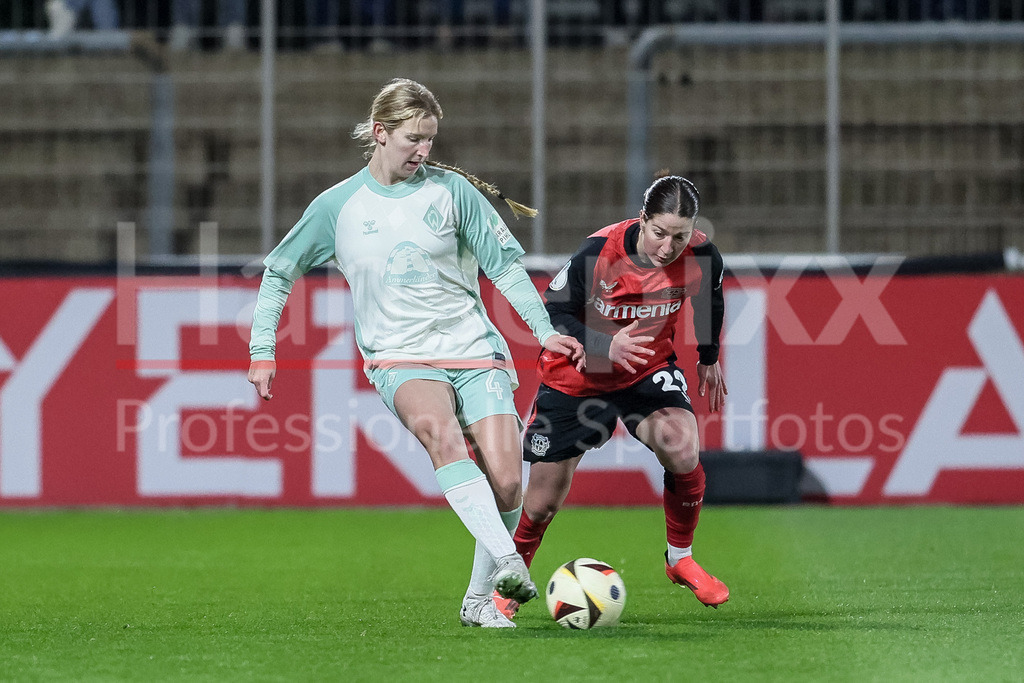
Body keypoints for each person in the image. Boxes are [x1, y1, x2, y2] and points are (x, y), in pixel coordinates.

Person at [247, 78, 585, 629]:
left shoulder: (453, 192)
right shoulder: (338, 206)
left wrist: (543, 331)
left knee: (507, 482)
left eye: (430, 139)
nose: (424, 151)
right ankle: (507, 563)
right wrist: (263, 350)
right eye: (413, 139)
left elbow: (504, 268)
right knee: (442, 438)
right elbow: (279, 272)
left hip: (474, 350)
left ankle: (477, 602)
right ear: (380, 134)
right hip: (398, 356)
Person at [493, 174, 729, 619]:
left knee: (682, 447)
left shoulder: (701, 253)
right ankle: (509, 583)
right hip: (577, 377)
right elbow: (554, 314)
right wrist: (605, 346)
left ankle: (680, 560)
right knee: (541, 503)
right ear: (642, 220)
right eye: (659, 232)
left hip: (646, 370)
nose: (667, 246)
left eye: (679, 235)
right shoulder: (598, 252)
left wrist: (709, 355)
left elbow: (710, 300)